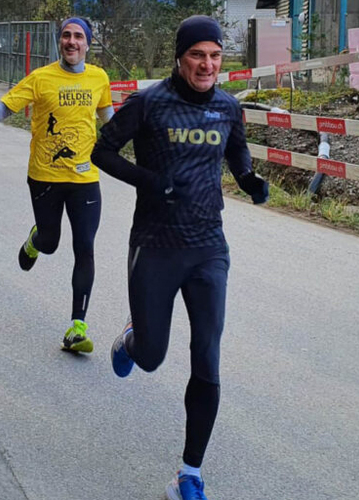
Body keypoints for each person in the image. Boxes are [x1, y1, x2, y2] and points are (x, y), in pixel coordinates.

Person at [90, 15, 268, 500]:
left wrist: (249, 181)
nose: (207, 64)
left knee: (207, 359)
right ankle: (131, 342)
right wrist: (149, 180)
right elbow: (101, 151)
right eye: (197, 55)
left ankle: (189, 473)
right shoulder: (148, 103)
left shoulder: (228, 107)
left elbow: (237, 151)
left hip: (209, 247)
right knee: (151, 358)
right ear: (180, 57)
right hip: (155, 245)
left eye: (214, 56)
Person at [0, 17, 114, 353]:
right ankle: (35, 240)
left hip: (86, 178)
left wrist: (134, 139)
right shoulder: (41, 78)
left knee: (84, 247)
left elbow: (108, 118)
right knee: (51, 241)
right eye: (66, 36)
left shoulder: (99, 77)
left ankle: (77, 327)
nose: (71, 41)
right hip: (44, 176)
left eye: (78, 37)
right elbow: (7, 105)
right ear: (60, 42)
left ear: (88, 43)